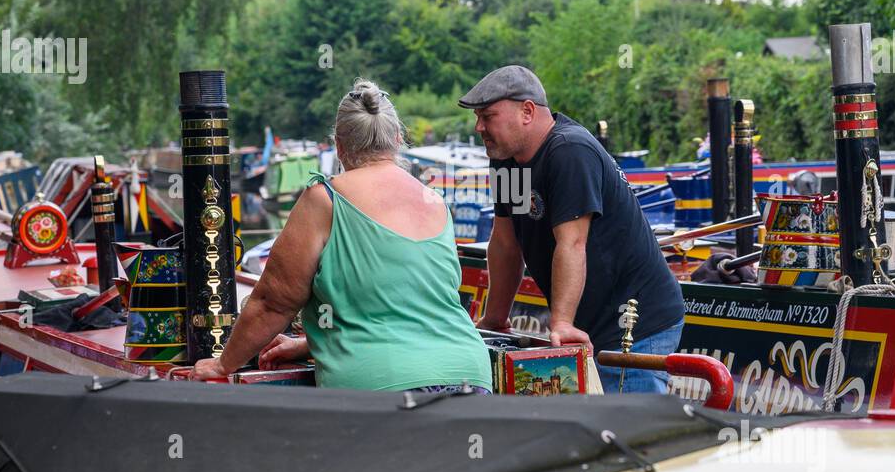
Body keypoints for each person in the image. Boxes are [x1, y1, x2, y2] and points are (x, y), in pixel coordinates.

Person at [192, 80, 493, 395]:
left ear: (338, 145)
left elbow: (272, 303)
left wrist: (223, 364)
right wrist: (311, 342)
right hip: (469, 376)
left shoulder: (324, 199)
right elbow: (406, 306)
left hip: (381, 386)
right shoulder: (435, 201)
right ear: (398, 139)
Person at [462, 65, 685, 393]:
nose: (479, 126)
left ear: (527, 111)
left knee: (633, 433)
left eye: (488, 116)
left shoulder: (569, 151)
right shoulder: (508, 160)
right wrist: (495, 317)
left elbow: (572, 243)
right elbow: (506, 243)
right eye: (478, 117)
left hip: (636, 322)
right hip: (592, 321)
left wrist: (562, 323)